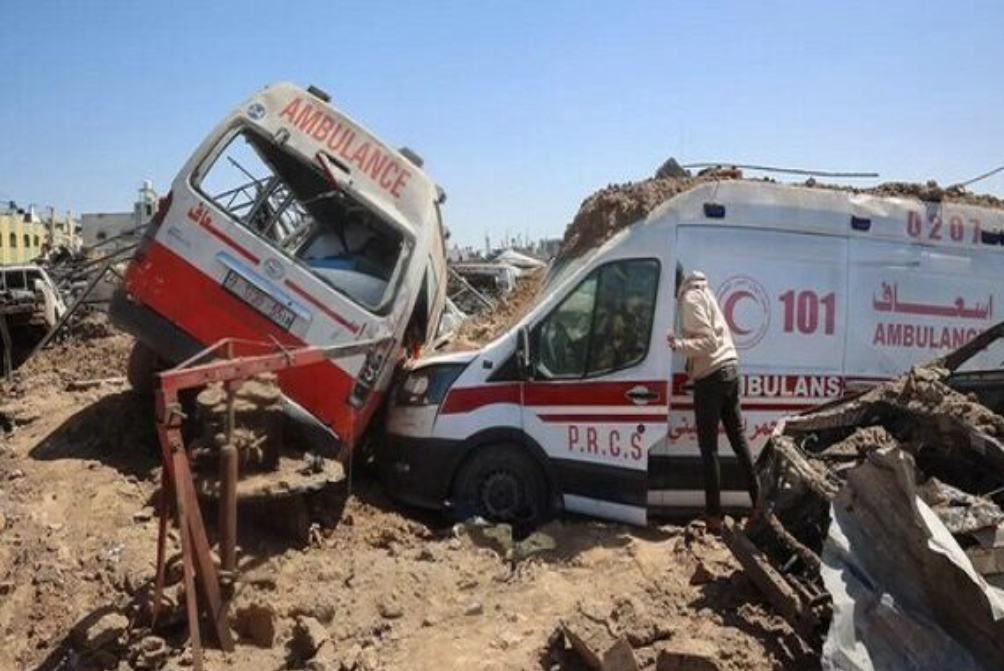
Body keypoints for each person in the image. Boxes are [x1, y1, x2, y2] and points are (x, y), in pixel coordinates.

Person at [666, 263, 760, 533]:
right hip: (729, 369)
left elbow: (708, 343)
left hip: (712, 376)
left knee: (709, 449)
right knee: (739, 441)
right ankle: (759, 504)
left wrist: (677, 344)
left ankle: (714, 517)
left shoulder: (689, 298)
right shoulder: (703, 291)